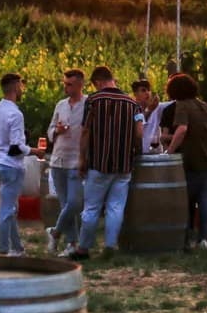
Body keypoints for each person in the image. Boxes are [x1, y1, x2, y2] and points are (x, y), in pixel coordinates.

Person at [68, 66, 141, 259]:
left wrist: (82, 159)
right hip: (124, 165)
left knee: (92, 207)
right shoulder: (132, 103)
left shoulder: (93, 101)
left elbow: (85, 131)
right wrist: (134, 151)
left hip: (98, 163)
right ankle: (110, 246)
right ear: (112, 79)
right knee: (116, 207)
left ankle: (83, 248)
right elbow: (139, 132)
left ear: (98, 82)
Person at [163, 72, 207, 250]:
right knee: (204, 199)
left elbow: (182, 129)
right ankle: (203, 239)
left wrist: (169, 151)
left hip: (192, 161)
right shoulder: (204, 105)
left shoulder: (183, 106)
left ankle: (184, 238)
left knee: (186, 200)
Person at [0, 73, 31, 256]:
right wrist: (33, 151)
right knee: (6, 210)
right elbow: (16, 147)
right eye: (21, 85)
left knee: (11, 207)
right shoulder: (16, 113)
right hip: (12, 165)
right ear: (15, 87)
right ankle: (4, 250)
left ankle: (17, 247)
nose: (23, 89)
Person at [46, 69, 88, 253]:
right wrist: (57, 130)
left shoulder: (88, 104)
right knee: (65, 204)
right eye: (65, 83)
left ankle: (55, 232)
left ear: (80, 85)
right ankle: (72, 244)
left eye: (69, 84)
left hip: (76, 160)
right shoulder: (60, 105)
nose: (66, 87)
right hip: (58, 160)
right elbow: (49, 131)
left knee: (75, 203)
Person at [131, 79, 171, 154]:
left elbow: (175, 103)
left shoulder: (158, 107)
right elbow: (138, 124)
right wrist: (149, 110)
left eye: (148, 90)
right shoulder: (132, 109)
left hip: (157, 155)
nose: (147, 93)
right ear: (135, 94)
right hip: (138, 156)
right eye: (143, 90)